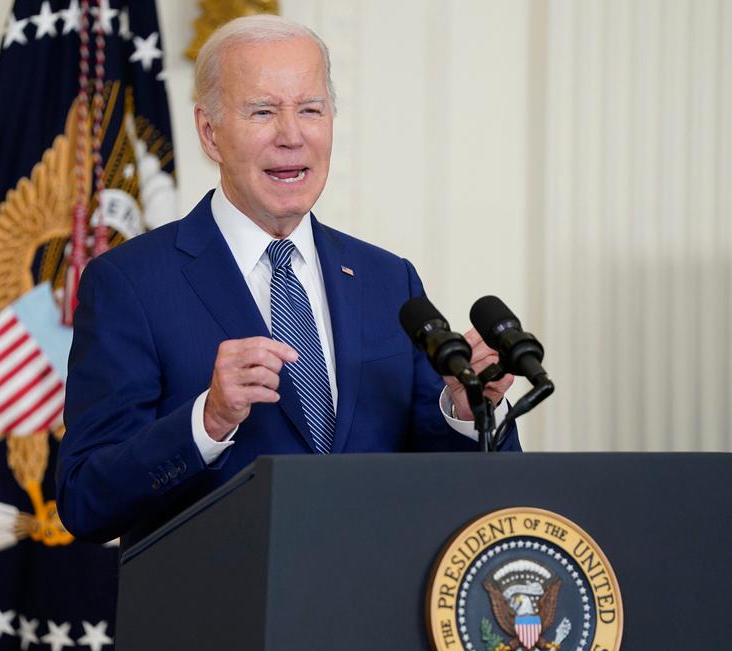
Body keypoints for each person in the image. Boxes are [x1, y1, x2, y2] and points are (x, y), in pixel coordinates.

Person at [56, 15, 519, 548]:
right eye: (263, 112)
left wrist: (465, 412)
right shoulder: (129, 283)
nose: (292, 136)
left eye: (310, 110)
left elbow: (464, 489)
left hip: (372, 615)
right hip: (221, 620)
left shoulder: (389, 280)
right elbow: (85, 500)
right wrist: (206, 422)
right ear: (210, 132)